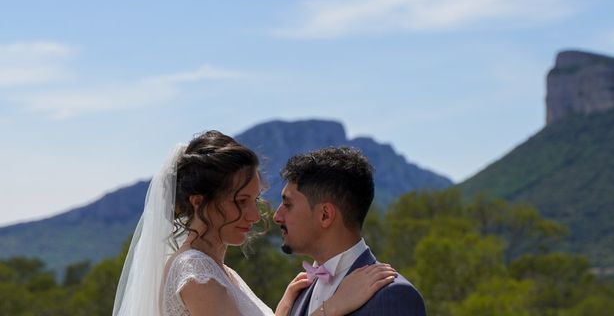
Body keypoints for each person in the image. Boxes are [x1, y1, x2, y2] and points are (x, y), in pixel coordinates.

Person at [113, 130, 397, 316]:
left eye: (255, 199)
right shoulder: (195, 273)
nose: (254, 214)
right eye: (240, 202)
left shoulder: (221, 272)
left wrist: (284, 308)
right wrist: (332, 307)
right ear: (199, 203)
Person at [273, 147, 427, 316]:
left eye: (288, 205)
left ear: (325, 215)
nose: (277, 216)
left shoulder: (394, 296)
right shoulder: (297, 293)